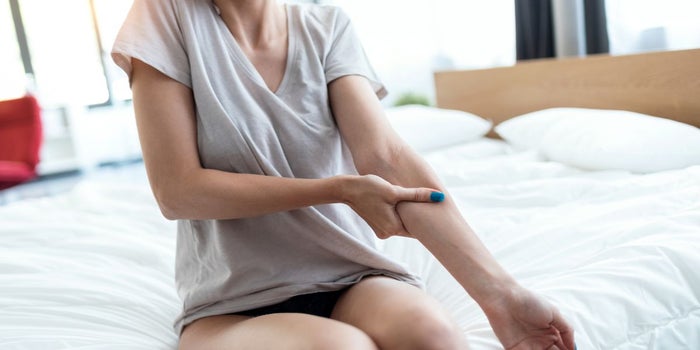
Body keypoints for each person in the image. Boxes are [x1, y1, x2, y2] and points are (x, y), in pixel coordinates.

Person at [112, 0, 576, 349]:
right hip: (233, 305)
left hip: (350, 277)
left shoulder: (326, 27)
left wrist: (504, 298)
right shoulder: (165, 15)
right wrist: (338, 189)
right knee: (342, 347)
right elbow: (177, 192)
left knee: (436, 337)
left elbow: (387, 158)